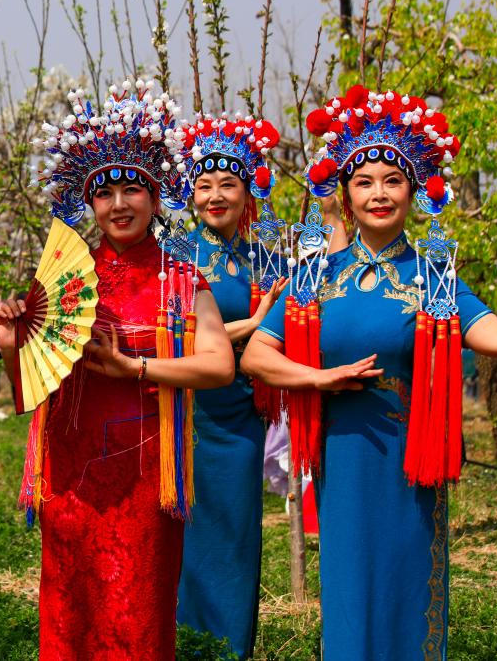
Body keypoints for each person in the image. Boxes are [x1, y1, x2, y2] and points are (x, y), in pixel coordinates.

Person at [242, 86, 497, 660]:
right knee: (349, 601)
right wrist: (318, 380)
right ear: (345, 193)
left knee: (406, 599)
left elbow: (492, 336)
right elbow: (256, 357)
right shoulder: (316, 275)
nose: (379, 193)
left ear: (416, 190)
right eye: (365, 181)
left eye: (393, 180)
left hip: (411, 468)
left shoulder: (432, 276)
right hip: (342, 464)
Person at [0, 80, 235, 660]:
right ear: (89, 202)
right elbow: (28, 387)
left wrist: (135, 367)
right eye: (105, 193)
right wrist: (8, 345)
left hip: (146, 471)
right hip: (70, 470)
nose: (120, 204)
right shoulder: (62, 278)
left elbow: (220, 366)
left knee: (139, 608)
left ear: (156, 198)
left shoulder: (181, 280)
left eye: (134, 189)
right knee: (69, 609)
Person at [173, 113, 287, 659]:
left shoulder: (267, 256)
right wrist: (256, 320)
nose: (215, 196)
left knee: (237, 547)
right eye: (203, 185)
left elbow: (292, 320)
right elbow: (182, 338)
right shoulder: (175, 256)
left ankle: (230, 651)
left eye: (228, 184)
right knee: (183, 547)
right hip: (186, 416)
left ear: (249, 192)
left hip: (242, 421)